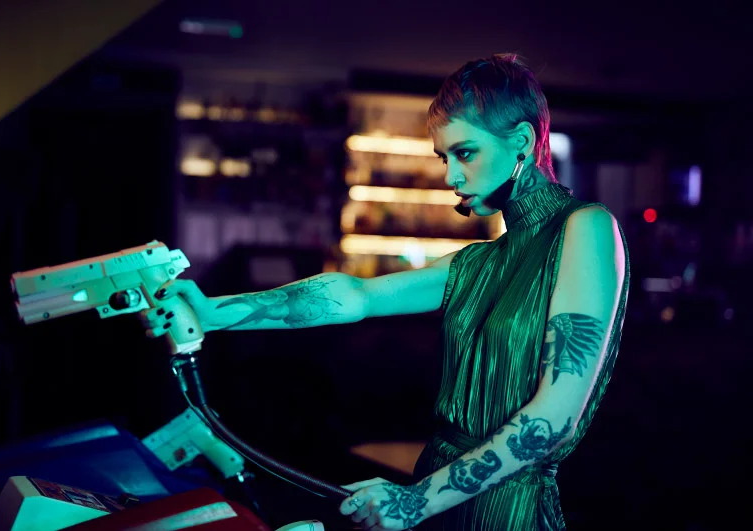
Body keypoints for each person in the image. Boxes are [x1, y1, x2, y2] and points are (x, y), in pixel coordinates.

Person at [141, 53, 630, 531]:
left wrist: (417, 502)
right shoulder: (481, 261)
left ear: (522, 141)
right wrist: (212, 312)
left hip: (502, 511)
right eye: (444, 158)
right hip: (435, 496)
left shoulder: (586, 227)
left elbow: (558, 415)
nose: (450, 177)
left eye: (465, 153)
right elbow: (357, 295)